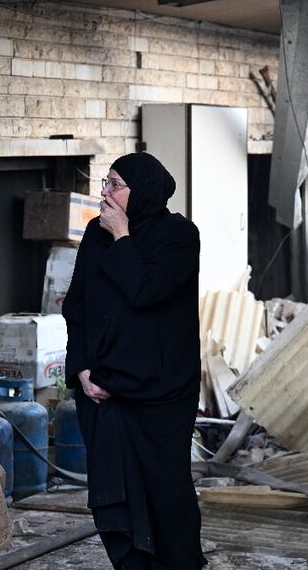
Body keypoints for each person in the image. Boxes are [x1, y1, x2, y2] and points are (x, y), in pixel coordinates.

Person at [62, 152, 206, 570]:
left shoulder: (179, 236)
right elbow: (78, 306)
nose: (104, 193)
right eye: (104, 183)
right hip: (105, 392)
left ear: (140, 191)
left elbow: (146, 292)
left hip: (159, 393)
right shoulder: (95, 233)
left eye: (114, 184)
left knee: (166, 492)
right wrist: (82, 369)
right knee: (114, 491)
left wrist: (123, 236)